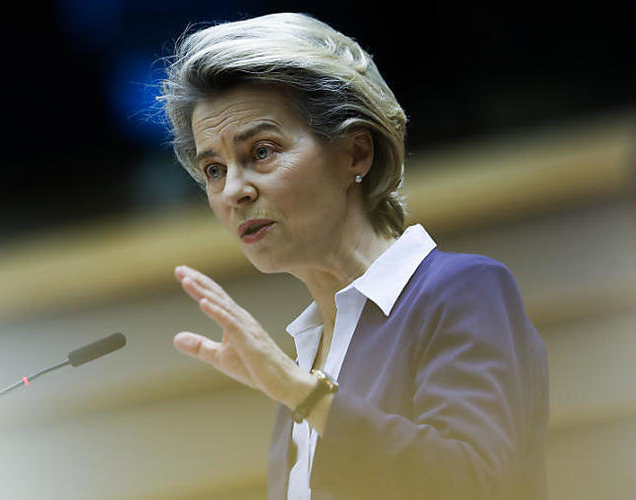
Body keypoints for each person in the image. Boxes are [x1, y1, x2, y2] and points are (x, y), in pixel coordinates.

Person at [158, 12, 548, 500]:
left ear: (355, 153)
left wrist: (300, 392)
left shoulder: (461, 291)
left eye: (261, 152)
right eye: (214, 169)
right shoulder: (309, 353)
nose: (234, 190)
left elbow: (474, 484)